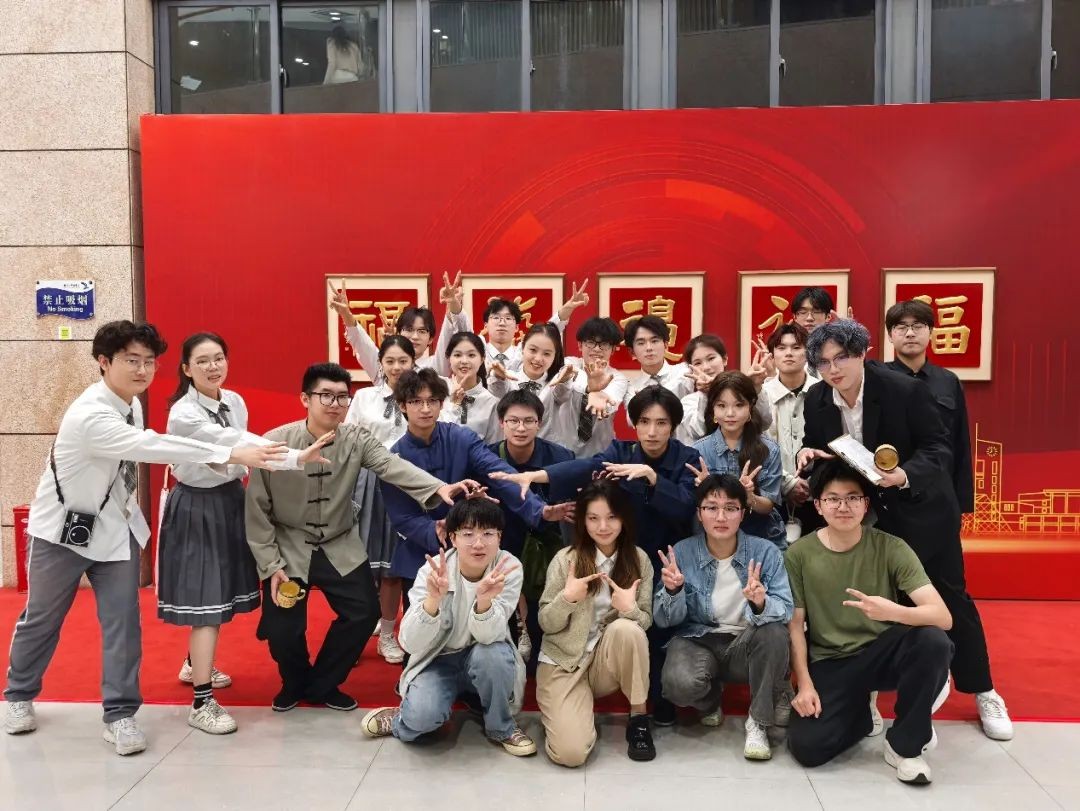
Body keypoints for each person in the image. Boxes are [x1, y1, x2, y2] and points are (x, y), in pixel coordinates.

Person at [3, 321, 291, 754]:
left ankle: (120, 715)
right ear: (104, 362)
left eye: (149, 362)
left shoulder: (131, 404)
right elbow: (153, 447)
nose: (142, 370)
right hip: (60, 533)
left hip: (114, 532)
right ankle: (19, 695)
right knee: (42, 618)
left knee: (123, 625)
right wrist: (231, 452)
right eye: (131, 361)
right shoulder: (91, 414)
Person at [798, 319, 1012, 740]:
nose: (833, 369)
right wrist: (809, 453)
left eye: (842, 357)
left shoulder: (904, 389)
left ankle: (984, 690)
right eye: (823, 362)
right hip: (864, 515)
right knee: (867, 601)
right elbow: (821, 449)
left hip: (921, 511)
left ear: (862, 353)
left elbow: (939, 447)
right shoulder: (817, 398)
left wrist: (904, 476)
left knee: (950, 599)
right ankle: (871, 694)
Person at [245, 362, 477, 713]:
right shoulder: (275, 443)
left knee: (364, 613)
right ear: (305, 398)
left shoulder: (356, 439)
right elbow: (257, 509)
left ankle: (323, 684)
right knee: (283, 627)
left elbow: (391, 466)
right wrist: (269, 563)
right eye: (326, 395)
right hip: (288, 547)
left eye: (342, 397)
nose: (335, 404)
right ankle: (293, 682)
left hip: (339, 543)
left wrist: (438, 487)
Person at [159, 332, 332, 734]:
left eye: (218, 358)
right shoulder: (184, 414)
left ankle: (193, 664)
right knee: (206, 600)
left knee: (218, 592)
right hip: (198, 506)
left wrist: (289, 458)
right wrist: (295, 457)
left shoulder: (234, 401)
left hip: (231, 500)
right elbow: (236, 443)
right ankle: (201, 702)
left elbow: (248, 451)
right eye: (202, 361)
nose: (213, 367)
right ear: (186, 369)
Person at [492, 386, 697, 726]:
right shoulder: (622, 450)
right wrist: (536, 475)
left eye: (661, 423)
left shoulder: (686, 457)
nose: (652, 431)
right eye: (644, 422)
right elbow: (585, 466)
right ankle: (592, 674)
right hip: (622, 551)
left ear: (673, 425)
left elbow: (686, 506)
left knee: (658, 625)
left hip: (667, 554)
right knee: (618, 620)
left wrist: (652, 478)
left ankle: (655, 697)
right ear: (634, 423)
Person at [785, 460, 954, 784]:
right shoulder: (799, 554)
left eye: (853, 498)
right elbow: (795, 625)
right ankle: (860, 711)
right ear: (818, 505)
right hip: (831, 661)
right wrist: (804, 683)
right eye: (833, 499)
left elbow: (942, 616)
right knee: (808, 747)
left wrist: (892, 612)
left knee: (933, 641)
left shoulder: (891, 547)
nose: (843, 506)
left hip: (881, 651)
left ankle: (905, 745)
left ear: (866, 505)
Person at [382, 368, 572, 607]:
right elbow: (402, 516)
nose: (425, 408)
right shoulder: (395, 458)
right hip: (422, 551)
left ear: (442, 404)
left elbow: (500, 474)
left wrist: (538, 509)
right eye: (416, 402)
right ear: (402, 405)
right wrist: (434, 529)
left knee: (480, 619)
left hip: (472, 547)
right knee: (424, 620)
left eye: (432, 401)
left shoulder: (462, 438)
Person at [360, 499, 535, 756]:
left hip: (482, 653)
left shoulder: (508, 567)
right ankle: (402, 718)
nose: (478, 543)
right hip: (438, 659)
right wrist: (432, 600)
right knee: (422, 719)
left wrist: (484, 601)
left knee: (495, 655)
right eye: (468, 534)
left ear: (500, 537)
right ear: (452, 538)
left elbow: (489, 636)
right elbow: (409, 643)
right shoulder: (432, 572)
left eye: (488, 533)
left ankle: (502, 727)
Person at [654, 474, 793, 760]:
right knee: (677, 684)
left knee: (775, 631)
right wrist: (673, 591)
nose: (721, 517)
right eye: (711, 508)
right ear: (699, 513)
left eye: (730, 508)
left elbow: (786, 609)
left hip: (746, 642)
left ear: (743, 513)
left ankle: (758, 722)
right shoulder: (682, 552)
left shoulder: (765, 552)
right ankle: (709, 701)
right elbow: (664, 621)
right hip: (698, 639)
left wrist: (761, 603)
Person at [536, 480, 655, 766]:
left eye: (611, 517)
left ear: (623, 518)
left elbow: (645, 622)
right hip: (563, 664)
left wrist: (630, 610)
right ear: (583, 521)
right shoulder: (566, 560)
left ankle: (639, 719)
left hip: (604, 663)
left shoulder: (639, 560)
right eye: (593, 518)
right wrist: (567, 599)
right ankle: (564, 710)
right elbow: (546, 624)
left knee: (628, 629)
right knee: (571, 754)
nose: (603, 526)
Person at [343, 335, 417, 665]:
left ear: (413, 362)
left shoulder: (420, 398)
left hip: (404, 485)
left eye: (403, 361)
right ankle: (354, 633)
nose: (397, 367)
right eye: (390, 361)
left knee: (391, 566)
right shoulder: (364, 397)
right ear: (381, 364)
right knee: (360, 564)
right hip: (366, 482)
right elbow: (347, 438)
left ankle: (387, 634)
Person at [488, 388, 574, 663]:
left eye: (528, 421)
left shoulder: (561, 457)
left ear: (539, 423)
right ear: (501, 423)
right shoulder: (487, 457)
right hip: (501, 539)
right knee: (500, 607)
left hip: (546, 541)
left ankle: (540, 653)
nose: (521, 428)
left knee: (541, 611)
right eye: (513, 421)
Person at [884, 299, 974, 513]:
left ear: (931, 332)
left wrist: (961, 502)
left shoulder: (948, 381)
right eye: (901, 327)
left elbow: (960, 442)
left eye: (918, 326)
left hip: (939, 493)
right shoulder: (879, 378)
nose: (910, 333)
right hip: (890, 491)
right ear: (890, 335)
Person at [691, 372, 786, 549]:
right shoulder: (698, 450)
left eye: (739, 405)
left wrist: (749, 497)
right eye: (721, 405)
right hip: (712, 540)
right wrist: (702, 490)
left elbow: (768, 506)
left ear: (750, 407)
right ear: (713, 410)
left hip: (761, 537)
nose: (730, 413)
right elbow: (693, 507)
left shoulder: (769, 449)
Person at [439, 273, 590, 372]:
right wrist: (453, 302)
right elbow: (461, 324)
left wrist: (569, 307)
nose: (502, 323)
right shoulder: (477, 348)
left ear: (517, 327)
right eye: (496, 318)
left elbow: (551, 329)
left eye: (508, 318)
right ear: (485, 325)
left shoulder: (524, 351)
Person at [761, 323, 819, 542]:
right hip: (771, 496)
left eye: (796, 347)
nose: (788, 353)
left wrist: (812, 484)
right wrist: (787, 483)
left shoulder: (824, 392)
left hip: (819, 495)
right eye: (781, 347)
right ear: (772, 354)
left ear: (808, 353)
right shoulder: (761, 395)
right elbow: (758, 445)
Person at [328, 278, 452, 377]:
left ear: (430, 339)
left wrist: (453, 305)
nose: (415, 336)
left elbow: (448, 335)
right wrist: (346, 314)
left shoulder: (436, 368)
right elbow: (362, 343)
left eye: (422, 331)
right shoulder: (384, 367)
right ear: (398, 334)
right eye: (409, 330)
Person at [552, 316, 628, 458]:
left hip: (601, 453)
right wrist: (590, 389)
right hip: (562, 451)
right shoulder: (569, 364)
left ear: (613, 349)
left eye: (604, 344)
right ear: (580, 345)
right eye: (591, 342)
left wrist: (594, 392)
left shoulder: (618, 378)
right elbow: (561, 390)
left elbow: (608, 407)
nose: (597, 349)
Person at [677, 334, 772, 444]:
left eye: (711, 358)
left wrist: (755, 387)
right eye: (698, 363)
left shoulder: (744, 392)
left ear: (725, 359)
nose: (706, 367)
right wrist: (707, 394)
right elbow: (699, 432)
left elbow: (765, 423)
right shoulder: (688, 402)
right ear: (691, 368)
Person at [488, 321, 574, 442]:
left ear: (555, 356)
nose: (538, 358)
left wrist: (564, 380)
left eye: (547, 354)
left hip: (547, 449)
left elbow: (562, 394)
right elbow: (497, 390)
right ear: (523, 348)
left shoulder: (555, 382)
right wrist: (498, 376)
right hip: (511, 448)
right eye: (533, 350)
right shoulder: (509, 378)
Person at [439, 332, 501, 443]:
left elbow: (494, 445)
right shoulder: (437, 390)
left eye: (471, 355)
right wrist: (454, 405)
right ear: (448, 358)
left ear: (482, 359)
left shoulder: (491, 402)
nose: (464, 361)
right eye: (457, 355)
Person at [622, 315, 694, 406]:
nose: (649, 348)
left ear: (666, 345)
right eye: (641, 343)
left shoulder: (685, 372)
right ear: (632, 352)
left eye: (654, 341)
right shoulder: (632, 389)